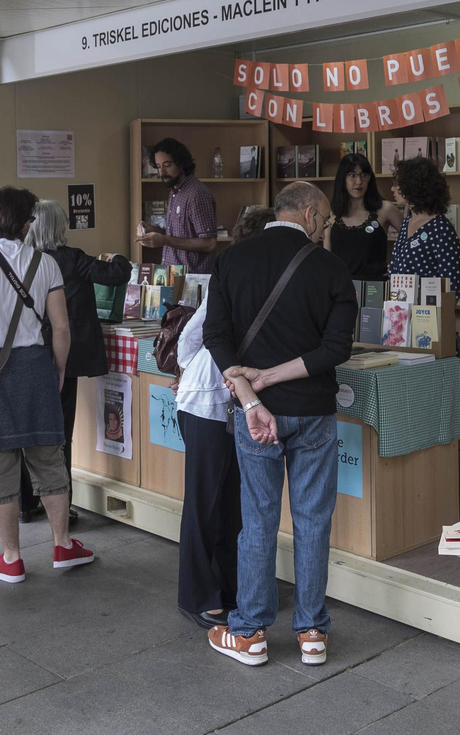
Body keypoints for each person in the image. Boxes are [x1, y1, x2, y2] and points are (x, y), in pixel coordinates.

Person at [202, 182, 356, 668]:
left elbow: (215, 336)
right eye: (325, 221)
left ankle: (250, 633)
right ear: (309, 214)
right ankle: (312, 632)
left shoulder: (231, 260)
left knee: (258, 520)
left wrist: (252, 396)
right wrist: (272, 377)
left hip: (256, 414)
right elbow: (336, 349)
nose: (325, 229)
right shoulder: (331, 269)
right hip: (314, 411)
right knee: (313, 521)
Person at [0, 186, 94, 583]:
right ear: (26, 223)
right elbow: (61, 328)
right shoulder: (45, 264)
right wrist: (58, 369)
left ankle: (11, 558)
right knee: (48, 456)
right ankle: (63, 545)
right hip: (35, 368)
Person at [173, 205, 272, 629]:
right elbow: (188, 339)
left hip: (236, 407)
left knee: (232, 503)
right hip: (205, 403)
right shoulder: (229, 278)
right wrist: (195, 374)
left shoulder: (269, 281)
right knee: (205, 502)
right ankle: (197, 595)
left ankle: (230, 588)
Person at [19, 199, 132, 523]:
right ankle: (61, 506)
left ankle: (26, 503)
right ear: (59, 227)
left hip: (26, 354)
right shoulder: (72, 259)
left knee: (27, 431)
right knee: (60, 433)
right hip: (64, 358)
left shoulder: (21, 261)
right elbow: (118, 274)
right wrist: (117, 256)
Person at [388, 156, 460, 299]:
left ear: (413, 186)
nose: (392, 188)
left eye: (397, 183)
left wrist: (434, 310)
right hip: (400, 306)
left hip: (427, 309)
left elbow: (453, 283)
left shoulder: (441, 229)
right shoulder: (407, 222)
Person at [136, 137, 217, 274]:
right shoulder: (175, 192)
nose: (162, 173)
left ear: (181, 163)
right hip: (172, 276)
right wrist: (153, 231)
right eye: (159, 166)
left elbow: (209, 243)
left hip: (191, 280)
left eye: (167, 165)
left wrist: (165, 240)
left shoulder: (197, 194)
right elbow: (178, 235)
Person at [323, 153, 399, 278]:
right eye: (352, 175)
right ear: (343, 178)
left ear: (370, 178)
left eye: (364, 175)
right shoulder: (330, 213)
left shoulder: (386, 209)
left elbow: (413, 240)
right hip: (342, 286)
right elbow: (327, 260)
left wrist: (398, 266)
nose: (359, 182)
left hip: (375, 286)